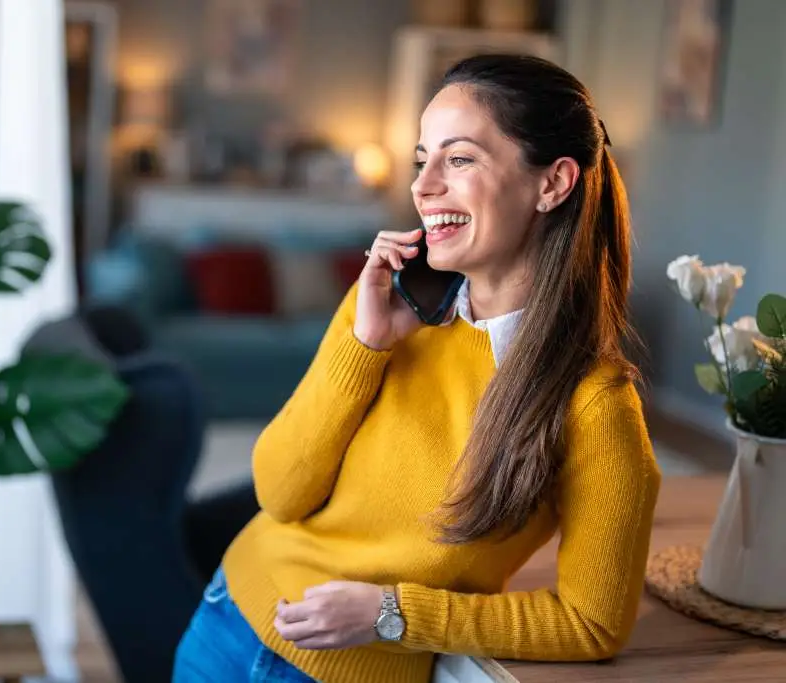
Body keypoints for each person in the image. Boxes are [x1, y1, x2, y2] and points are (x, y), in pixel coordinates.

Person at [172, 53, 662, 683]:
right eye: (421, 160)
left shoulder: (595, 405)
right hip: (227, 618)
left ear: (553, 183)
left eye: (458, 159)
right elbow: (280, 492)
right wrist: (365, 346)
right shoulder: (384, 303)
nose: (423, 187)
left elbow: (592, 623)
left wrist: (392, 614)